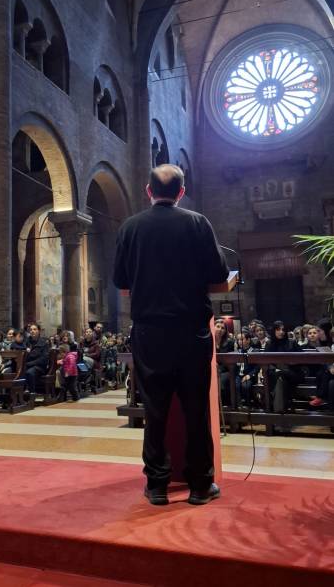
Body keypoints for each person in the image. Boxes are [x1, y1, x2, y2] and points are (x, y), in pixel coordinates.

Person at [113, 164, 229, 506]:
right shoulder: (197, 223)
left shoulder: (130, 227)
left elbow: (120, 280)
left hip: (150, 333)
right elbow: (219, 272)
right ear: (181, 192)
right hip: (191, 331)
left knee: (155, 410)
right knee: (196, 409)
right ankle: (200, 485)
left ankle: (157, 486)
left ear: (149, 191)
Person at [24, 323, 49, 394]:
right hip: (27, 365)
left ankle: (32, 393)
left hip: (39, 367)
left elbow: (43, 359)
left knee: (29, 372)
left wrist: (30, 363)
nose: (32, 331)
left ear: (39, 331)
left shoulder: (44, 342)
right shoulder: (26, 342)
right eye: (31, 330)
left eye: (35, 329)